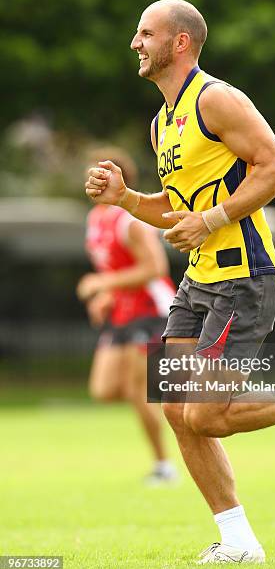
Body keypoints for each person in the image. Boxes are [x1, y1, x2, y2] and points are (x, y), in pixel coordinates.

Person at [85, 0, 275, 564]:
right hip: (199, 282)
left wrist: (215, 218)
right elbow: (175, 209)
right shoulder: (161, 124)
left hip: (244, 278)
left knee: (205, 413)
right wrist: (125, 199)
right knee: (177, 407)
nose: (135, 42)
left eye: (146, 33)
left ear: (180, 43)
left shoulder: (216, 99)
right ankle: (239, 543)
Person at [78, 146, 177, 485]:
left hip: (151, 311)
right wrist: (106, 295)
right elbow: (115, 269)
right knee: (104, 389)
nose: (91, 179)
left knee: (139, 390)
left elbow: (155, 267)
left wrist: (102, 283)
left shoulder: (130, 220)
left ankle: (164, 467)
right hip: (122, 313)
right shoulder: (95, 220)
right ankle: (175, 398)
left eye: (99, 173)